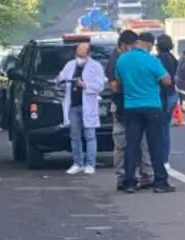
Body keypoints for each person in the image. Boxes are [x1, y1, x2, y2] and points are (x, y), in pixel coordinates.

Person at [115, 31, 175, 194]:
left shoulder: (122, 59)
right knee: (155, 145)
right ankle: (160, 182)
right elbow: (167, 80)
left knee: (131, 145)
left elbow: (118, 80)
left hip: (130, 106)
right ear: (148, 44)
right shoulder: (151, 60)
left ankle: (129, 182)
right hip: (151, 106)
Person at [106, 30, 154, 191]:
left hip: (132, 105)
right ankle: (123, 177)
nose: (134, 50)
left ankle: (145, 174)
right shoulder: (115, 61)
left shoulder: (128, 58)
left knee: (141, 142)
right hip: (122, 106)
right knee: (122, 144)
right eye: (132, 46)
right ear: (123, 45)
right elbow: (114, 86)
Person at [57, 43, 106, 175]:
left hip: (88, 105)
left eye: (82, 56)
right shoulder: (70, 65)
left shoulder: (96, 66)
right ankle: (78, 163)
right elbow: (61, 77)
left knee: (90, 136)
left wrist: (84, 85)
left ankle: (90, 164)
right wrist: (61, 80)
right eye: (78, 55)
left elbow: (100, 86)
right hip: (73, 105)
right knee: (75, 136)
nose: (79, 58)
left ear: (89, 54)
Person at [156, 34, 179, 170]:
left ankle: (162, 158)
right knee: (165, 128)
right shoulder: (173, 58)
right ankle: (165, 158)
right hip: (172, 94)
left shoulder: (159, 59)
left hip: (163, 95)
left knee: (160, 129)